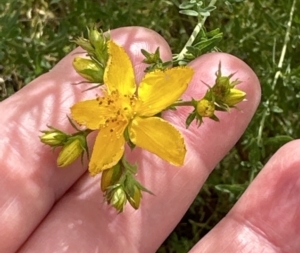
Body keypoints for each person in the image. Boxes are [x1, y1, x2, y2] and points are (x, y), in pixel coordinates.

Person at [0, 27, 299, 253]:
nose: (115, 103)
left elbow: (167, 85)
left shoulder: (144, 111)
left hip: (145, 111)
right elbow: (87, 122)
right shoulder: (102, 127)